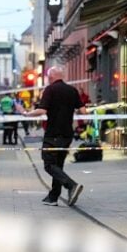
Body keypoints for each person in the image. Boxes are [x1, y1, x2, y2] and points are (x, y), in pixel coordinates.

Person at [22, 66, 87, 207]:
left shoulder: (50, 90)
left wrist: (27, 114)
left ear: (51, 77)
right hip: (67, 134)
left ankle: (71, 186)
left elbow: (42, 110)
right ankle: (53, 197)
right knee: (58, 165)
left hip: (53, 134)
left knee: (49, 164)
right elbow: (83, 111)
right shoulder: (72, 90)